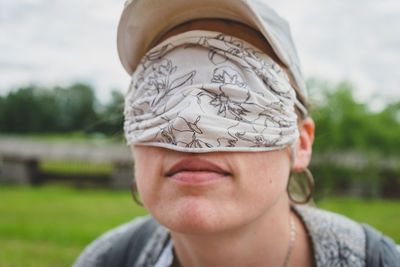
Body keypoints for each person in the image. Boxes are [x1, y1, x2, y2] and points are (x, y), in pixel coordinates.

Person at [73, 0, 400, 266]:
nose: (191, 124)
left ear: (301, 144)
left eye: (231, 92)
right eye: (161, 92)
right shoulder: (105, 260)